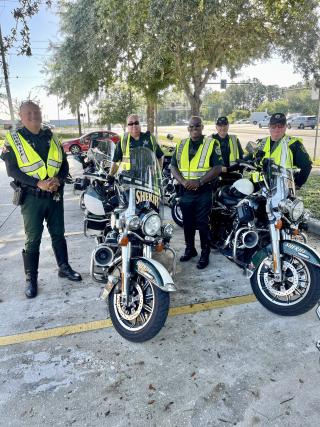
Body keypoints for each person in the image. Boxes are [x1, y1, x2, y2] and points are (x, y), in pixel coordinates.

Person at [1, 100, 82, 299]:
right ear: (21, 116)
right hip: (31, 198)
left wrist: (59, 180)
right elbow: (12, 170)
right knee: (33, 239)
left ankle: (64, 267)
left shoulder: (51, 136)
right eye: (28, 113)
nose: (33, 115)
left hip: (54, 194)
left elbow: (63, 164)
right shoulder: (13, 139)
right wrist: (37, 183)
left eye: (36, 111)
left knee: (58, 234)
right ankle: (31, 278)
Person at [171, 116, 227, 269]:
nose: (194, 129)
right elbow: (173, 166)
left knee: (203, 224)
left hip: (203, 191)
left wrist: (200, 182)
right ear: (188, 128)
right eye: (191, 127)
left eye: (197, 126)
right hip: (185, 191)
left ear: (202, 127)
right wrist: (183, 182)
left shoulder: (211, 143)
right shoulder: (181, 144)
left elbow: (217, 167)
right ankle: (190, 249)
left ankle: (205, 253)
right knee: (187, 223)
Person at [252, 113, 312, 188]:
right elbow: (250, 159)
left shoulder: (293, 144)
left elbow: (307, 166)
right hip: (259, 186)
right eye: (273, 126)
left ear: (286, 126)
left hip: (283, 189)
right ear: (269, 126)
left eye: (280, 126)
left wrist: (297, 184)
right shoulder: (262, 143)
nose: (277, 129)